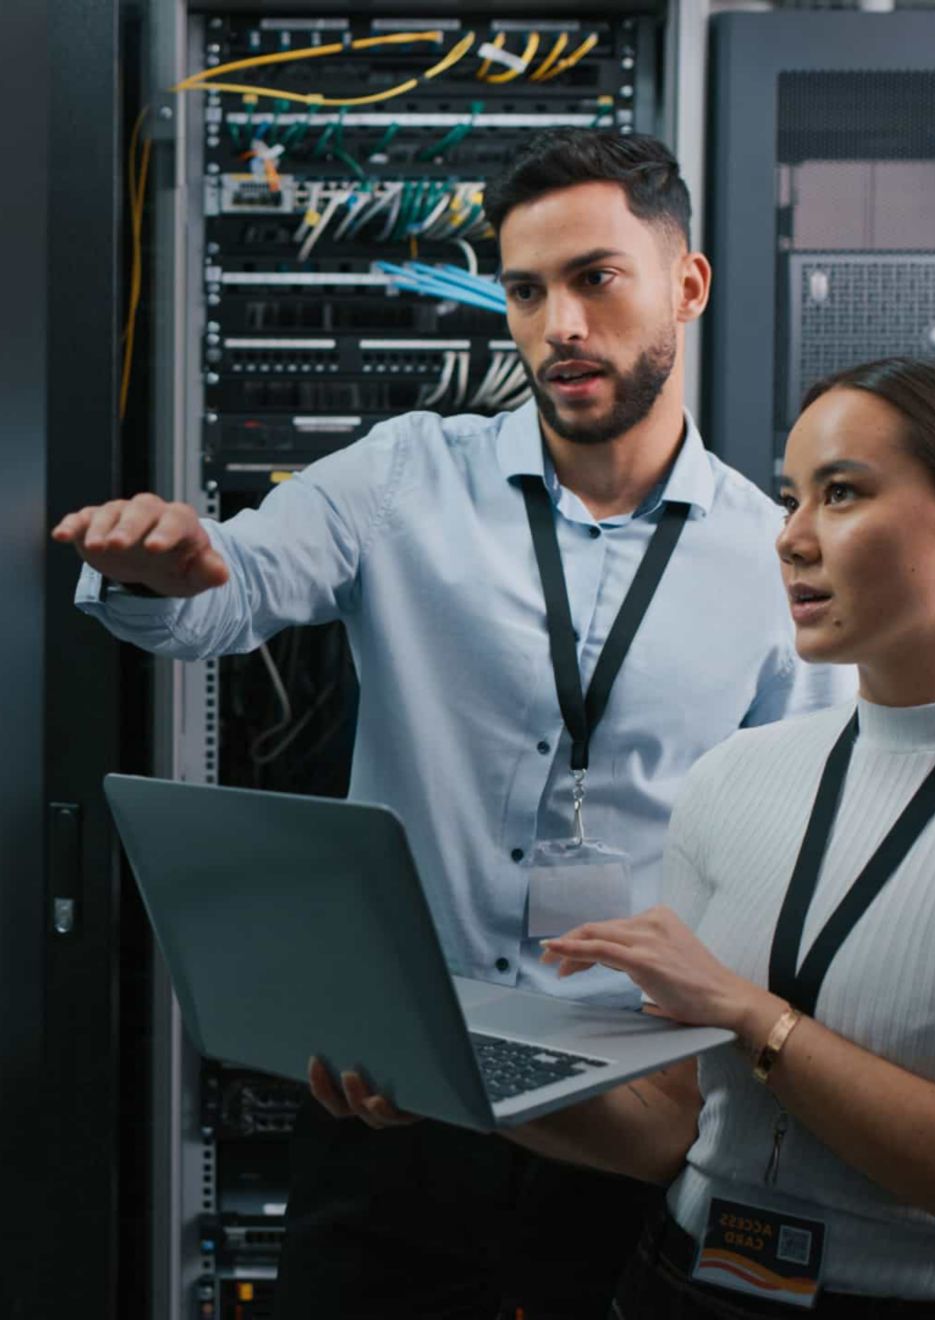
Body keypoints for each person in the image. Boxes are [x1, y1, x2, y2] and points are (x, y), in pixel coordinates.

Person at [50, 130, 853, 1320]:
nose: (556, 325)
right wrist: (169, 567)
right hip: (396, 1093)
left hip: (625, 1113)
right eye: (524, 291)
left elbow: (801, 853)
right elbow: (240, 587)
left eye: (595, 278)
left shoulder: (770, 554)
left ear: (686, 286)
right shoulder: (405, 476)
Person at [490, 355, 935, 1316]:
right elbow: (672, 1131)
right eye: (791, 499)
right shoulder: (734, 776)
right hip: (678, 1282)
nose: (790, 539)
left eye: (841, 494)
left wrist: (753, 1015)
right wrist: (457, 1081)